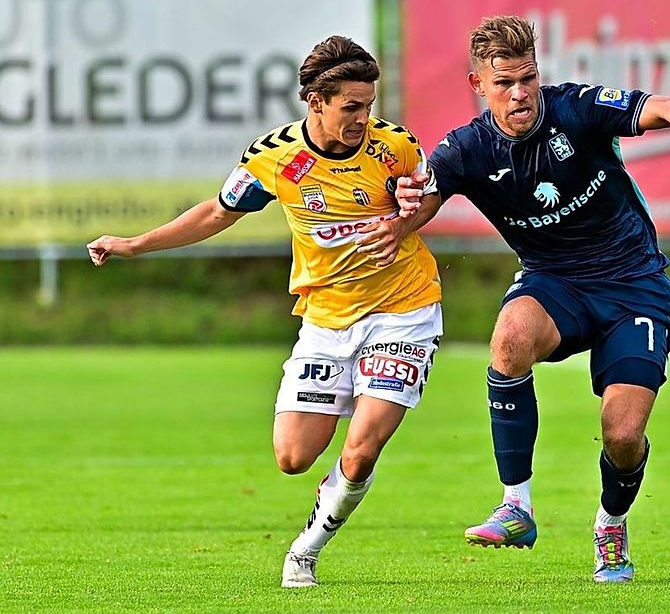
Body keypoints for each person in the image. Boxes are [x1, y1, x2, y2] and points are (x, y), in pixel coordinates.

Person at [395, 15, 670, 582]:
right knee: (509, 339)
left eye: (527, 78)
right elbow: (416, 209)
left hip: (634, 286)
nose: (520, 93)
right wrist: (394, 218)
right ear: (477, 84)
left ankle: (611, 522)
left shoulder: (577, 109)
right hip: (554, 282)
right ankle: (517, 505)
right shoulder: (464, 151)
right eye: (504, 82)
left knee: (624, 436)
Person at [86, 36, 444, 588]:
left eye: (369, 105)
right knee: (294, 457)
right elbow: (215, 212)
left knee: (363, 446)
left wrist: (406, 219)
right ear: (316, 101)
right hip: (325, 320)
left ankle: (308, 547)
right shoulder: (277, 158)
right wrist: (135, 244)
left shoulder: (393, 147)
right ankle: (330, 487)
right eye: (351, 107)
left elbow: (423, 201)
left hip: (404, 308)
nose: (363, 118)